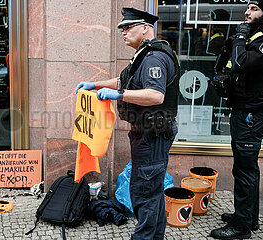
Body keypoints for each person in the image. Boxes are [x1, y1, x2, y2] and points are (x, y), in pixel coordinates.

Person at [75, 7, 179, 239]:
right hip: (148, 132)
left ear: (145, 28)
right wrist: (96, 85)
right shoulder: (144, 54)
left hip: (153, 133)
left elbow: (155, 95)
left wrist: (119, 95)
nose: (123, 32)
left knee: (145, 193)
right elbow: (125, 79)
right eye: (121, 28)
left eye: (128, 27)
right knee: (150, 191)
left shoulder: (155, 57)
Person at [210, 1, 263, 239]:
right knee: (245, 167)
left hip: (251, 114)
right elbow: (229, 65)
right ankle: (248, 218)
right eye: (247, 8)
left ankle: (241, 227)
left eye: (254, 9)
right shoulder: (251, 39)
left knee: (245, 169)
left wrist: (239, 39)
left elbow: (241, 63)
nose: (247, 12)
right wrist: (230, 44)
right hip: (245, 111)